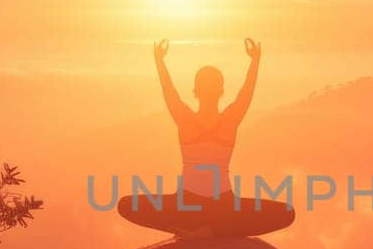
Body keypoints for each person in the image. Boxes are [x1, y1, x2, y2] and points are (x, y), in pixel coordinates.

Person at [116, 38, 294, 237]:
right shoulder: (229, 121)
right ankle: (215, 230)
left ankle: (186, 228)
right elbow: (246, 94)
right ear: (221, 90)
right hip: (223, 207)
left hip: (186, 205)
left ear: (195, 90)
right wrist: (255, 61)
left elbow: (169, 92)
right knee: (286, 213)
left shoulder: (186, 120)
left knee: (126, 205)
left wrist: (159, 60)